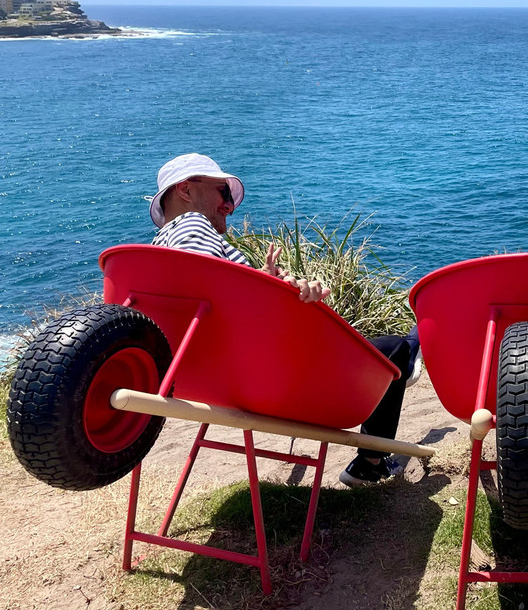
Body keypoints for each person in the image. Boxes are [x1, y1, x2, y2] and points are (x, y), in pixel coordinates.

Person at [149, 152, 414, 486]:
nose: (230, 205)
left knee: (395, 352)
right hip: (275, 388)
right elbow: (208, 278)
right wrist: (289, 295)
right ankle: (370, 463)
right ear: (186, 190)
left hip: (211, 384)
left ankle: (410, 356)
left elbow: (213, 298)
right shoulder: (192, 225)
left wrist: (269, 285)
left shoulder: (158, 254)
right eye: (224, 193)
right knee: (395, 349)